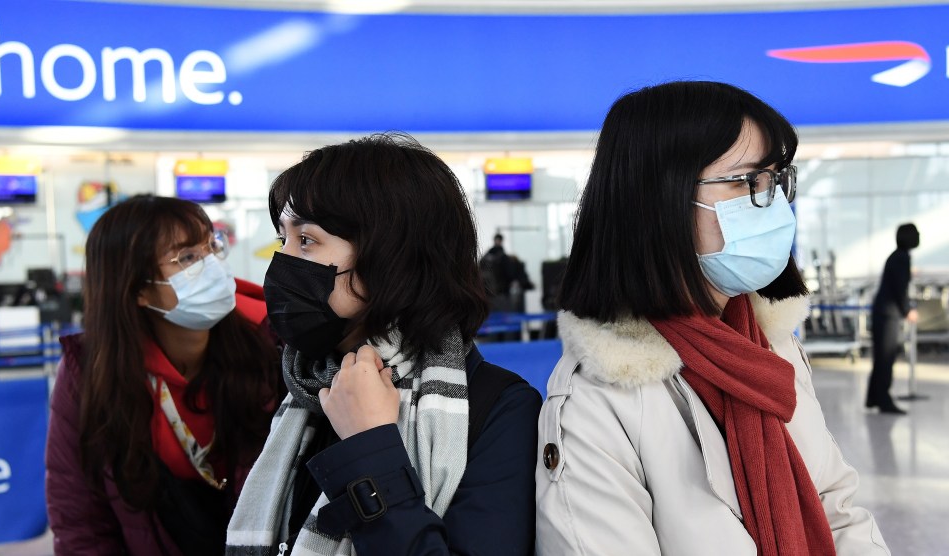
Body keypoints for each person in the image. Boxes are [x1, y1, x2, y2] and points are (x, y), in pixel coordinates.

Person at [536, 81, 889, 555]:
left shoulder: (768, 345)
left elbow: (835, 506)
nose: (770, 201)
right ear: (659, 200)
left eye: (773, 178)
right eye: (746, 181)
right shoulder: (597, 400)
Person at [226, 133, 541, 556]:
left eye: (306, 241)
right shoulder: (303, 383)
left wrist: (370, 446)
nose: (282, 263)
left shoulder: (499, 407)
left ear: (391, 256)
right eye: (283, 239)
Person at [45, 195, 283, 556]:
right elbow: (80, 518)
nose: (212, 265)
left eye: (211, 246)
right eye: (187, 257)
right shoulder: (90, 371)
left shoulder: (272, 344)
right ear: (137, 289)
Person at [866, 223, 920, 414]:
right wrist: (908, 311)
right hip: (888, 314)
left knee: (881, 357)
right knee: (886, 358)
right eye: (916, 234)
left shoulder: (897, 256)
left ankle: (873, 397)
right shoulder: (902, 258)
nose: (919, 236)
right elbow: (899, 289)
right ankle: (884, 400)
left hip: (883, 313)